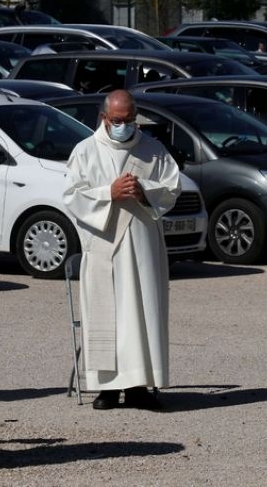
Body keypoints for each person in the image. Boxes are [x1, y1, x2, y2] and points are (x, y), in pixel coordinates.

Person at [63, 89, 182, 411]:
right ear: (104, 118)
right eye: (117, 120)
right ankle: (107, 388)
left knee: (141, 314)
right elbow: (72, 195)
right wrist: (109, 193)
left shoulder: (152, 150)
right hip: (104, 245)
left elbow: (173, 187)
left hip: (142, 246)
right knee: (108, 316)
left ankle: (138, 386)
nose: (124, 126)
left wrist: (145, 192)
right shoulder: (86, 151)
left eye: (129, 119)